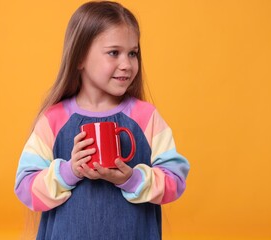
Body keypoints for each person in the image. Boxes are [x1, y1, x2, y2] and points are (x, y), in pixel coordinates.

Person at [14, 1, 190, 240]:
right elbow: (26, 189)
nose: (127, 64)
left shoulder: (146, 117)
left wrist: (131, 179)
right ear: (80, 59)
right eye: (113, 52)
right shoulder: (54, 120)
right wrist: (69, 172)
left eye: (133, 53)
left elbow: (175, 181)